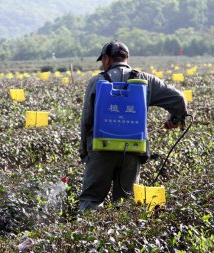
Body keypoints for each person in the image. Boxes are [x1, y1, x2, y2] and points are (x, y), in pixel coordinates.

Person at [79, 40, 188, 211]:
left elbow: (87, 119)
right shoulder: (145, 80)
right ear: (126, 59)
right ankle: (121, 235)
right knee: (125, 204)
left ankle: (92, 235)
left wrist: (85, 151)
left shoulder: (97, 81)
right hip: (133, 149)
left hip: (100, 148)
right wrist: (175, 120)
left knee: (91, 199)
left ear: (107, 59)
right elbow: (179, 99)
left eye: (102, 61)